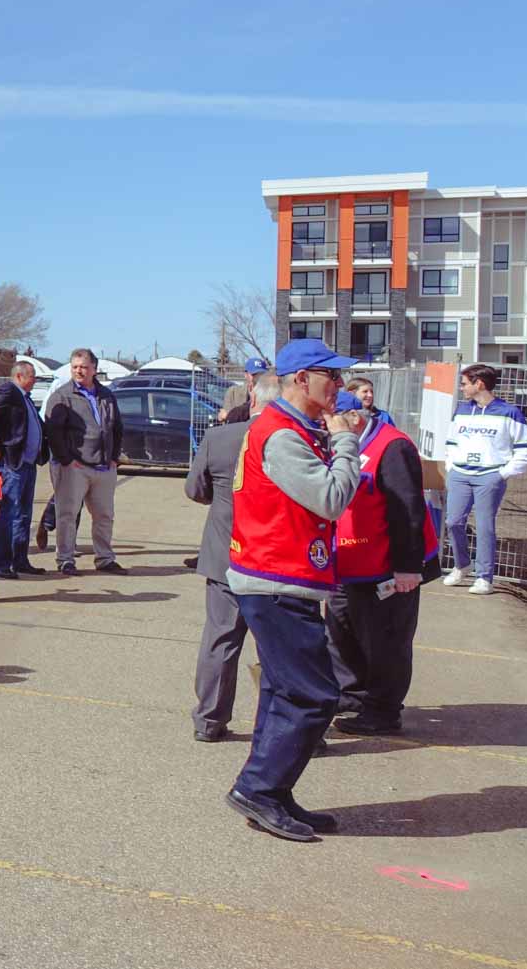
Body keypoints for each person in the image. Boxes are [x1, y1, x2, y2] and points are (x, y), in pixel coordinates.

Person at [224, 338, 365, 843]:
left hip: (279, 577)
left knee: (286, 692)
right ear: (302, 379)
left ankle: (273, 791)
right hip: (274, 580)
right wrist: (346, 442)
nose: (341, 386)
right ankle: (258, 789)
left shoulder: (289, 427)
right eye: (332, 376)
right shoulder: (282, 434)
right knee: (313, 696)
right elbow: (330, 499)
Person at [326, 390, 438, 736]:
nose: (325, 427)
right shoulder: (338, 446)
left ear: (353, 418)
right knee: (342, 633)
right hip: (347, 561)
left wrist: (407, 568)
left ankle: (384, 710)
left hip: (384, 566)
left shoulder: (393, 447)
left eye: (330, 421)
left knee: (386, 641)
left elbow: (407, 511)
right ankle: (353, 695)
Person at [184, 382, 265, 743]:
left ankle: (209, 720)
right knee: (279, 646)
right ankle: (282, 723)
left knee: (221, 639)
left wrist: (221, 500)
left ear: (252, 399)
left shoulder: (219, 438)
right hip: (272, 560)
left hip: (226, 555)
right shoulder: (294, 439)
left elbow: (194, 489)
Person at [441, 363, 527, 597]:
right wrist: (451, 466)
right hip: (460, 474)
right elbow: (451, 442)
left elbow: (524, 449)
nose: (461, 388)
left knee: (484, 527)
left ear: (479, 384)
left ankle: (484, 577)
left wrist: (502, 473)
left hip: (490, 476)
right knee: (453, 522)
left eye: (464, 384)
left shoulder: (509, 412)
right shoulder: (462, 409)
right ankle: (462, 565)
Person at [44, 347, 125, 577]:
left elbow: (117, 427)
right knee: (67, 515)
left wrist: (113, 458)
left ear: (94, 369)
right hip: (74, 468)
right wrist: (67, 460)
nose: (79, 371)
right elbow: (53, 432)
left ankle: (105, 558)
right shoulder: (62, 396)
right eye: (75, 367)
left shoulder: (107, 395)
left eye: (84, 367)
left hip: (104, 467)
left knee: (104, 516)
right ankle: (65, 560)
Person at [0, 359, 49, 578]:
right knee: (10, 512)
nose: (35, 381)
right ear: (19, 376)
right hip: (13, 463)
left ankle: (20, 560)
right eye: (32, 376)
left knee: (24, 514)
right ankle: (1, 563)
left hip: (28, 463)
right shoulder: (8, 392)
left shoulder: (26, 397)